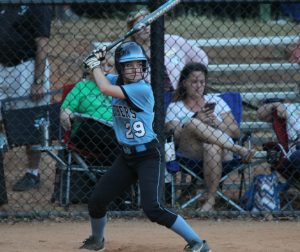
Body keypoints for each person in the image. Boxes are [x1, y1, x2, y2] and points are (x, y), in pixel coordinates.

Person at [81, 41, 211, 252]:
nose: (135, 70)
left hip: (148, 156)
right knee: (97, 201)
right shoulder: (118, 81)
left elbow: (104, 88)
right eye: (128, 65)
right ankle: (97, 240)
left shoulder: (141, 89)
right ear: (120, 68)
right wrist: (95, 61)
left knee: (153, 209)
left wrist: (94, 64)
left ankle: (198, 243)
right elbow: (100, 80)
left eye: (139, 65)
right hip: (126, 157)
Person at [165, 62, 256, 212]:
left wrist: (217, 123)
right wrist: (197, 120)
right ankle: (238, 149)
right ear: (184, 83)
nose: (198, 86)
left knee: (211, 146)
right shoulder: (175, 107)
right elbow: (174, 134)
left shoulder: (217, 101)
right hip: (190, 152)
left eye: (202, 82)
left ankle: (210, 200)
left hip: (221, 152)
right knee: (192, 122)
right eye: (194, 82)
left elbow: (235, 132)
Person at [0, 5, 52, 192]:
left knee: (31, 123)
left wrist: (38, 80)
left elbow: (42, 43)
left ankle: (33, 173)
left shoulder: (37, 4)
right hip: (2, 69)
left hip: (27, 68)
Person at [126, 9, 209, 108]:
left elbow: (200, 58)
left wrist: (188, 77)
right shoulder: (129, 51)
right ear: (132, 29)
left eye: (148, 22)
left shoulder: (172, 41)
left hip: (178, 95)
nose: (145, 27)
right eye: (140, 24)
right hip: (149, 100)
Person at [257, 100, 300, 181]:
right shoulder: (289, 107)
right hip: (297, 147)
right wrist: (276, 104)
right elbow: (260, 115)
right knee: (297, 156)